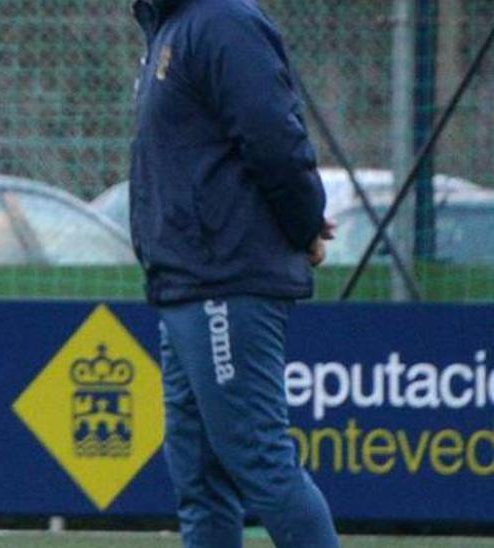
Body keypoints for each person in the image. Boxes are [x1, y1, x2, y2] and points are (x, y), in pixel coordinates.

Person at [129, 0, 339, 547]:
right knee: (201, 482)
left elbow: (274, 138)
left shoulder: (222, 22)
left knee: (262, 464)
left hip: (224, 280)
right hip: (184, 284)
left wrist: (304, 224)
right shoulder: (170, 28)